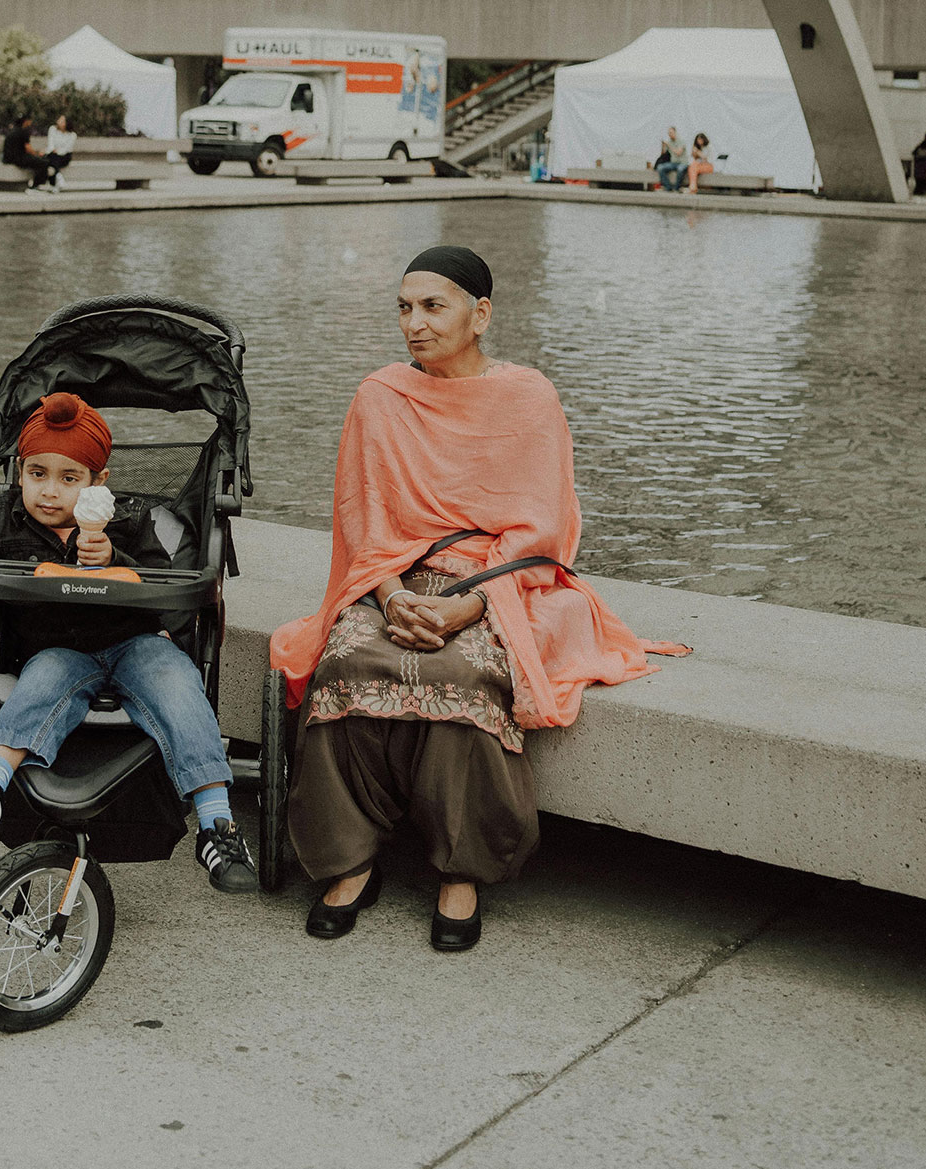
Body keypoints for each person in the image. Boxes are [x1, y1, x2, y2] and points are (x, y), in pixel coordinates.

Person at [271, 246, 688, 953]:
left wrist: (471, 607)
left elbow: (543, 533)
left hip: (500, 583)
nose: (415, 324)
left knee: (467, 671)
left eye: (434, 306)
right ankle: (350, 863)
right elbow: (363, 520)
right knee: (343, 658)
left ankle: (461, 871)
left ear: (480, 313)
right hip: (396, 575)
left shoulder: (528, 397)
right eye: (404, 308)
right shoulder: (380, 395)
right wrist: (392, 596)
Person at [0, 390, 258, 892]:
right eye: (37, 474)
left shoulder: (128, 522)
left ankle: (216, 824)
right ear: (19, 472)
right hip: (53, 650)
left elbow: (170, 587)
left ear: (99, 482)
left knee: (177, 686)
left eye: (69, 479)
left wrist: (118, 563)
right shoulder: (3, 526)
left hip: (135, 644)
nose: (49, 492)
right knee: (40, 684)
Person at [2, 113, 53, 189]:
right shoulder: (24, 132)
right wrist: (37, 155)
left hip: (7, 158)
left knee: (37, 161)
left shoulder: (11, 130)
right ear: (25, 122)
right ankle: (37, 185)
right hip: (18, 158)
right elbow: (28, 149)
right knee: (43, 162)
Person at [41, 112, 77, 191]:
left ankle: (54, 183)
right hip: (52, 153)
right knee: (52, 160)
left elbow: (67, 148)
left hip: (64, 156)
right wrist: (52, 150)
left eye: (62, 120)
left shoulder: (72, 135)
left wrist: (57, 151)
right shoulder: (52, 129)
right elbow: (50, 143)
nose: (58, 121)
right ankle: (58, 178)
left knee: (52, 162)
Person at [655, 126, 687, 192]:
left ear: (675, 132)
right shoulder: (669, 142)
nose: (670, 134)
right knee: (660, 167)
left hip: (682, 162)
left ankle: (677, 188)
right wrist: (663, 145)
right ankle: (668, 186)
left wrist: (669, 145)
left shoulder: (681, 141)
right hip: (673, 163)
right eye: (669, 133)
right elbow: (663, 154)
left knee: (680, 169)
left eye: (671, 133)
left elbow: (678, 153)